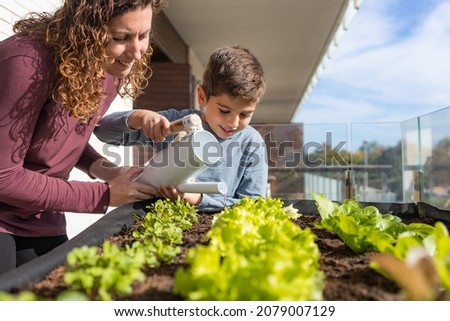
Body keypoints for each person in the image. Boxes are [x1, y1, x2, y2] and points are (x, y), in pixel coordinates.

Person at [0, 0, 167, 274]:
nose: (136, 52)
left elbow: (60, 134)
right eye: (120, 38)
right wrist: (104, 195)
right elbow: (4, 176)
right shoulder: (26, 63)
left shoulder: (108, 68)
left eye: (143, 35)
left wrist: (109, 171)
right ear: (86, 31)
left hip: (40, 215)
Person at [94, 45, 268, 212]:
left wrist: (199, 200)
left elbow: (254, 206)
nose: (234, 123)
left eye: (245, 115)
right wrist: (138, 118)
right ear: (202, 96)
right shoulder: (176, 123)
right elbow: (103, 132)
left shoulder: (251, 142)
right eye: (224, 111)